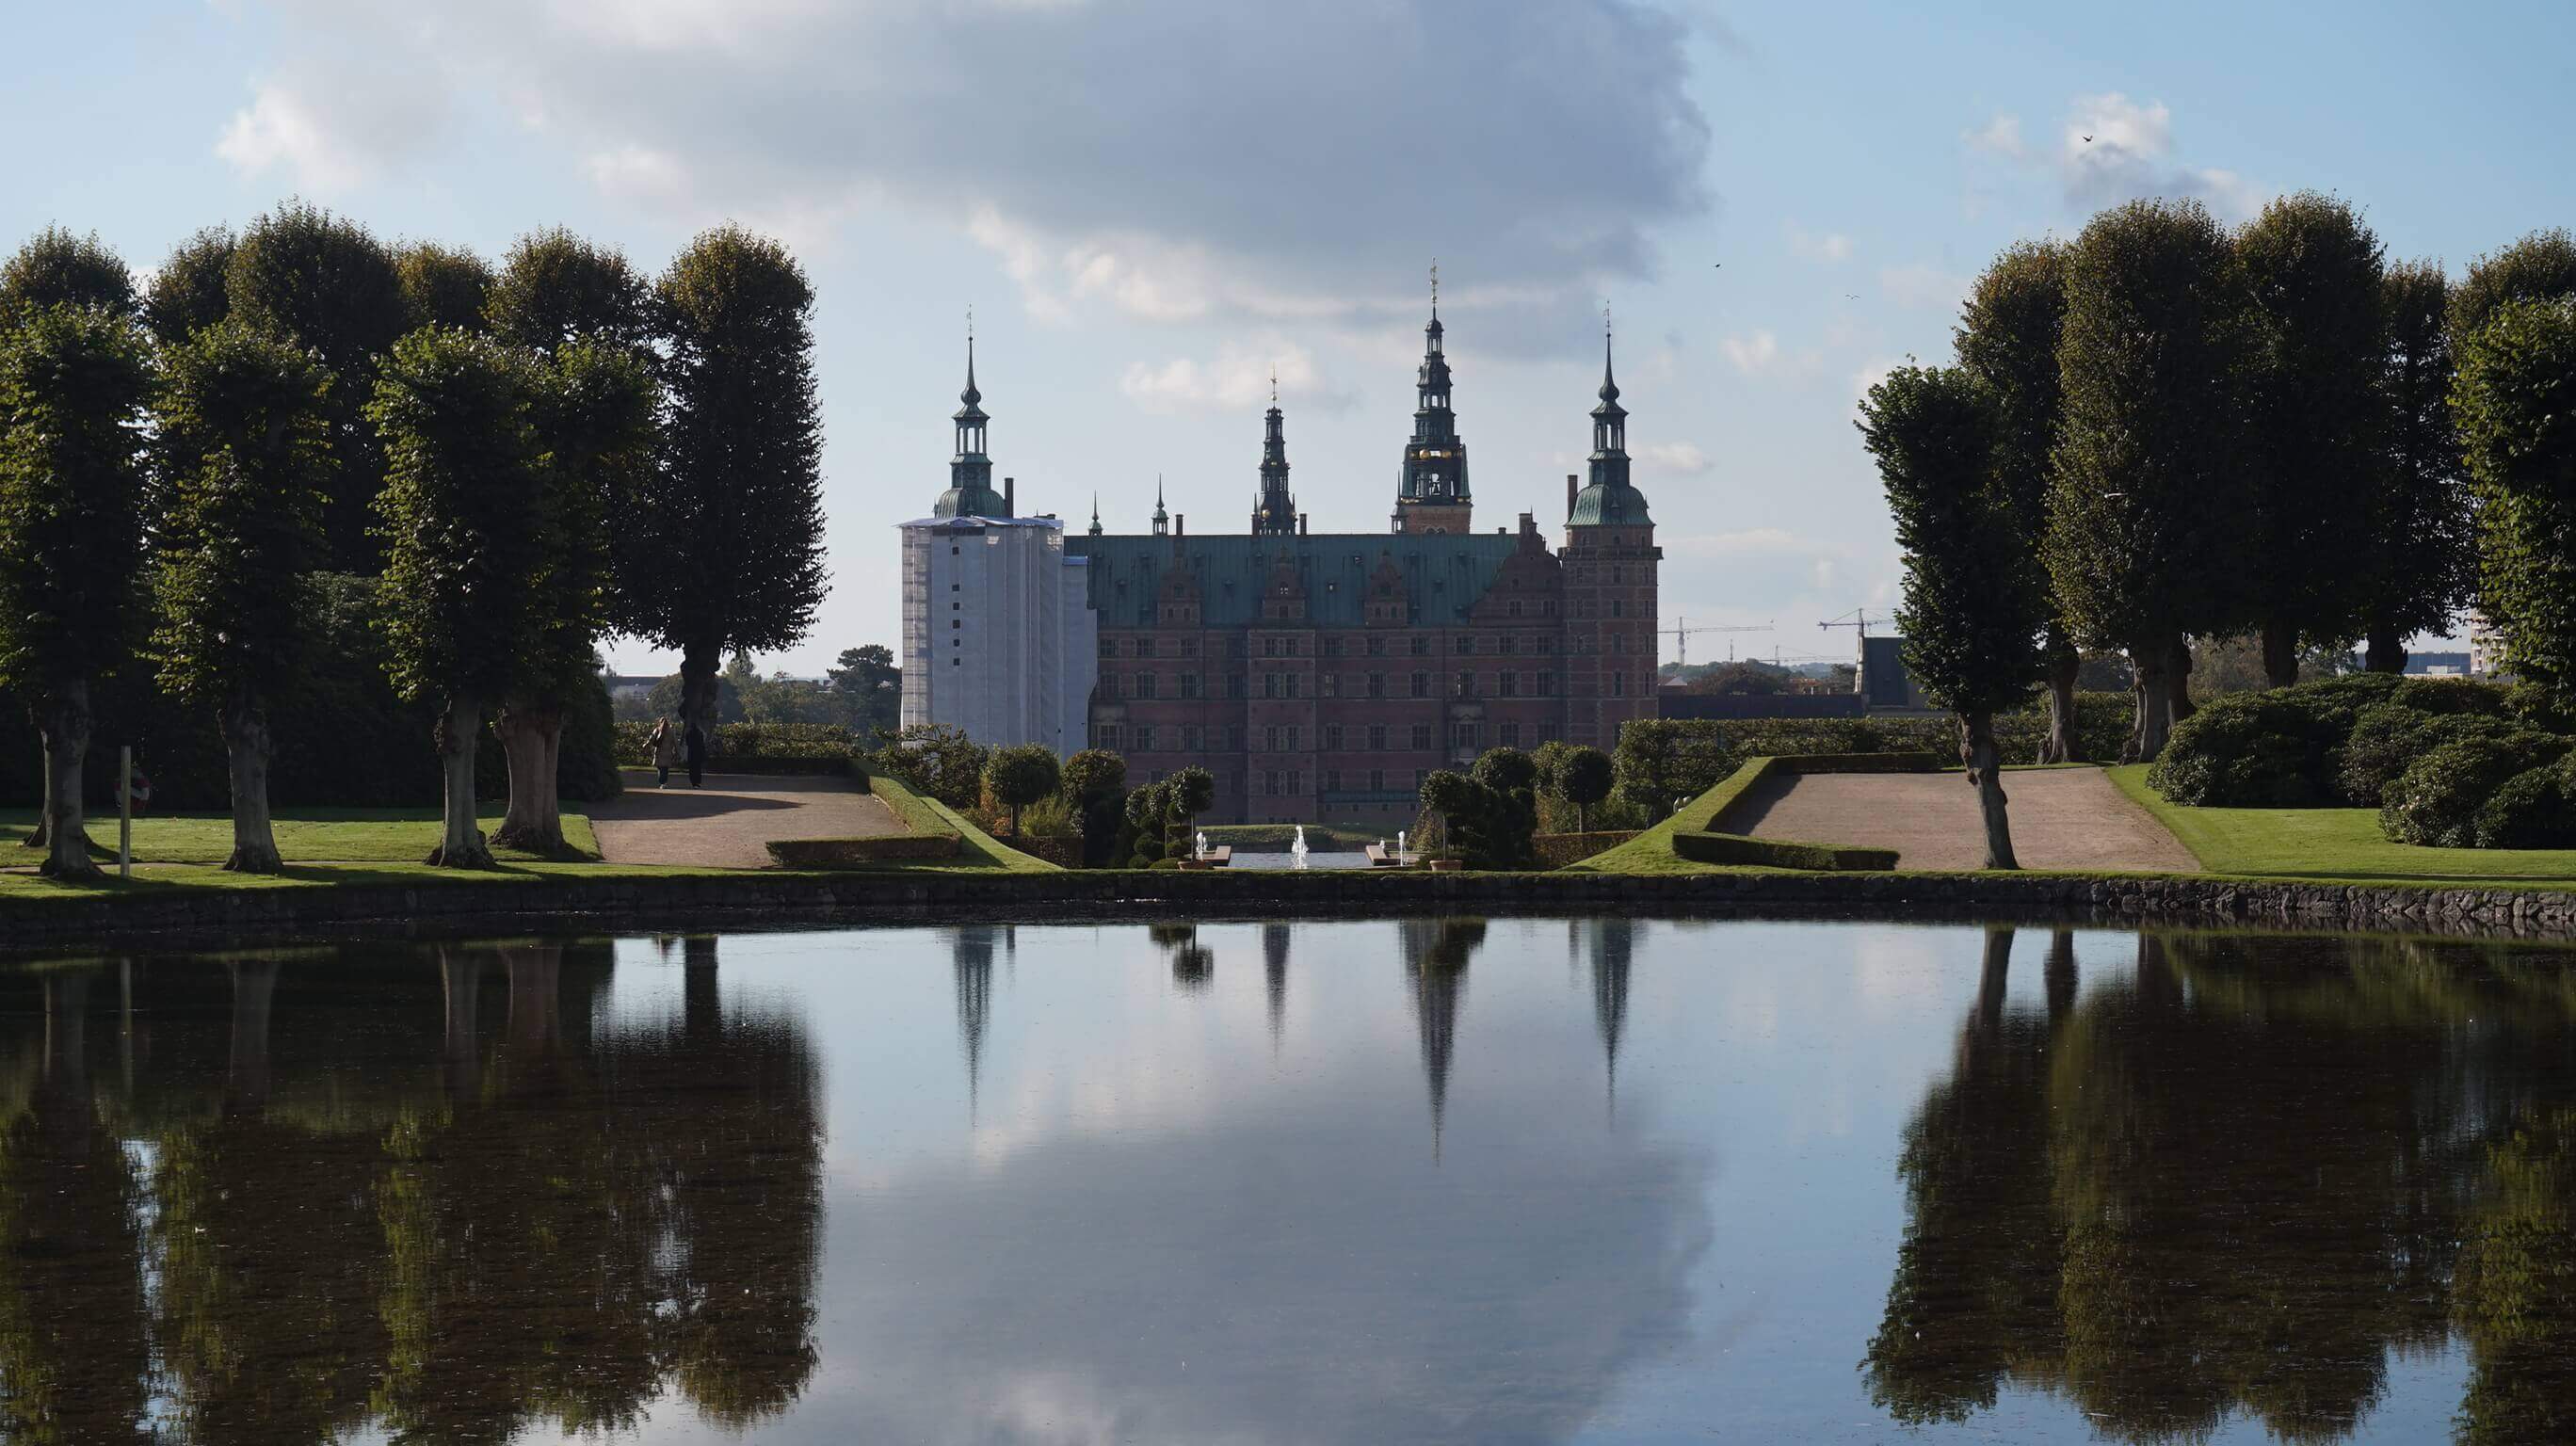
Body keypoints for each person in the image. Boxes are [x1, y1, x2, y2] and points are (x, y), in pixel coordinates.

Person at [648, 716, 681, 788]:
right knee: (665, 769)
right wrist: (677, 752)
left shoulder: (657, 730)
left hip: (659, 752)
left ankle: (662, 782)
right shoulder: (671, 732)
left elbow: (651, 739)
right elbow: (675, 742)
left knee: (660, 768)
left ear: (660, 722)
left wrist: (646, 745)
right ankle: (664, 782)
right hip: (668, 753)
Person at [684, 718, 708, 789]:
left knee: (692, 768)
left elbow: (687, 743)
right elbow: (702, 743)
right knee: (698, 768)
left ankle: (693, 782)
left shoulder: (688, 734)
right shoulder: (700, 733)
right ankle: (698, 781)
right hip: (698, 752)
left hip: (691, 752)